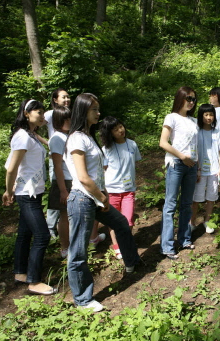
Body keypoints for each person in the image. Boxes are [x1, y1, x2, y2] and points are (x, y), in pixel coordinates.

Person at [65, 93, 140, 312]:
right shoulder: (77, 138)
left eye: (98, 109)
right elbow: (83, 177)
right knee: (78, 252)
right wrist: (102, 197)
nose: (98, 113)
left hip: (96, 197)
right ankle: (83, 300)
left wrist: (102, 194)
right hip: (82, 199)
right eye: (94, 110)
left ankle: (131, 261)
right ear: (83, 111)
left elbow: (98, 172)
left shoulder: (88, 136)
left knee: (122, 224)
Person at [2, 99, 58, 295]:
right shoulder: (23, 137)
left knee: (25, 233)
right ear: (27, 114)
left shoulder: (30, 134)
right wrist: (9, 191)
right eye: (38, 112)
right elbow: (11, 168)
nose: (42, 115)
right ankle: (34, 282)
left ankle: (20, 272)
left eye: (43, 112)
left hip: (31, 192)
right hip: (26, 193)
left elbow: (46, 144)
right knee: (42, 236)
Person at [159, 87, 199, 260]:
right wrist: (182, 157)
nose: (191, 102)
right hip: (176, 163)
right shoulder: (171, 117)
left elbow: (197, 145)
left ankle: (184, 239)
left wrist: (197, 166)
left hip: (192, 166)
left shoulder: (194, 120)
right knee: (170, 205)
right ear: (180, 98)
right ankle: (167, 245)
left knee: (187, 203)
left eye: (193, 99)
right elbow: (163, 142)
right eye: (188, 98)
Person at [100, 116, 142, 259]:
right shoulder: (105, 149)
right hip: (111, 191)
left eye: (120, 126)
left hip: (129, 189)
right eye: (115, 129)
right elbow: (103, 169)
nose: (120, 130)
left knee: (128, 220)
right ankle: (116, 245)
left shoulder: (132, 144)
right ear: (109, 133)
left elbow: (134, 163)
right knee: (113, 221)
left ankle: (126, 242)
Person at [190, 104, 220, 234]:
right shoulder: (196, 132)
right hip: (200, 170)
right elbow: (193, 151)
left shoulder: (217, 132)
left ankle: (207, 220)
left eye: (211, 115)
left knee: (211, 197)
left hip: (214, 170)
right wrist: (196, 169)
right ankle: (192, 222)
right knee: (196, 198)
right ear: (201, 116)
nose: (209, 117)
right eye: (206, 115)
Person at [44, 88, 71, 238]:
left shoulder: (68, 131)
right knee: (63, 208)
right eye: (63, 97)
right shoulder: (50, 115)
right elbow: (57, 166)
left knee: (67, 211)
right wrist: (47, 142)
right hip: (60, 169)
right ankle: (52, 230)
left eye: (68, 96)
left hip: (69, 170)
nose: (67, 99)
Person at [48, 106, 73, 258]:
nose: (69, 121)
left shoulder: (67, 135)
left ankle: (72, 244)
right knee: (64, 215)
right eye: (66, 119)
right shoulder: (57, 138)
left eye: (70, 118)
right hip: (63, 181)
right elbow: (57, 166)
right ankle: (65, 247)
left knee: (71, 215)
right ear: (58, 121)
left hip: (72, 179)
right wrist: (63, 190)